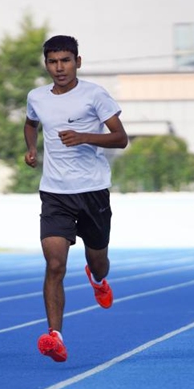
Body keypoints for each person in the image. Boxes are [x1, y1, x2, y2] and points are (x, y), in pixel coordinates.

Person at [23, 35, 128, 362]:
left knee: (99, 261)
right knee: (54, 264)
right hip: (55, 193)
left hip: (93, 191)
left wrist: (84, 136)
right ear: (46, 64)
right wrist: (30, 147)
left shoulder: (95, 95)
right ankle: (55, 336)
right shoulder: (37, 97)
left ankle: (97, 278)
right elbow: (30, 123)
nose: (59, 68)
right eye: (53, 62)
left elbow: (121, 138)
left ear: (77, 62)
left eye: (65, 61)